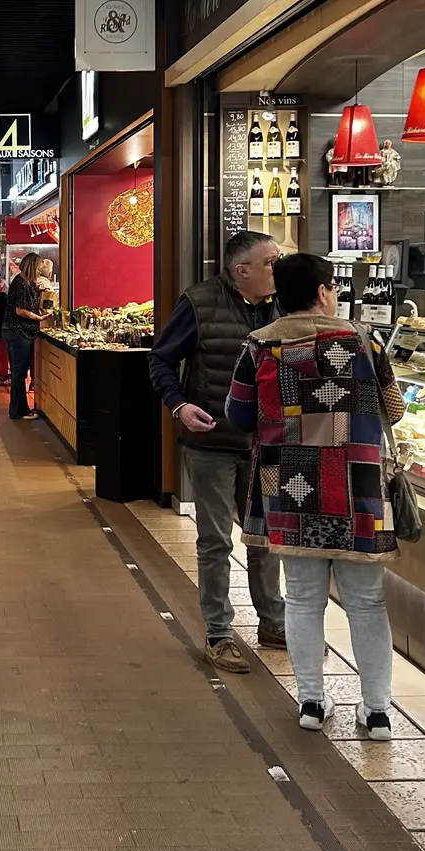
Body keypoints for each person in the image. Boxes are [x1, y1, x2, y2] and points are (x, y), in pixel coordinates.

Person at [224, 252, 405, 741]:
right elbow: (395, 409)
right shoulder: (363, 341)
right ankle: (377, 711)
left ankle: (310, 701)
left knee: (302, 600)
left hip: (289, 484)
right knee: (367, 603)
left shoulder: (261, 346)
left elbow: (239, 415)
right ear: (326, 291)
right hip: (356, 485)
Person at [148, 231, 286, 672]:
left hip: (266, 444)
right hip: (212, 440)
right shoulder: (199, 301)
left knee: (265, 537)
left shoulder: (285, 306)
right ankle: (219, 633)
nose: (277, 269)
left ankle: (273, 623)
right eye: (270, 262)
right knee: (213, 541)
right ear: (241, 269)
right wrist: (180, 406)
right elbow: (161, 360)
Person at [5, 251, 46, 419]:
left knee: (20, 372)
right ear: (32, 267)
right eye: (39, 268)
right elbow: (20, 310)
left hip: (22, 333)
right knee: (19, 373)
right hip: (19, 333)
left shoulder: (27, 283)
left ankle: (20, 409)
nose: (40, 271)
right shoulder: (20, 284)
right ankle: (18, 411)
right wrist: (39, 318)